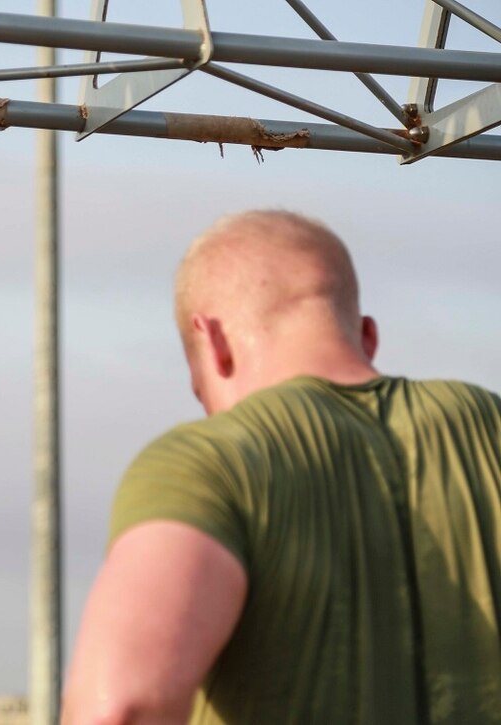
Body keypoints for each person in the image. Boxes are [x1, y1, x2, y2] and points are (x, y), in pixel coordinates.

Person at [62, 210, 501, 724]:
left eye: (197, 384)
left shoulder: (208, 461)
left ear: (213, 342)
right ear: (366, 335)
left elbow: (123, 707)